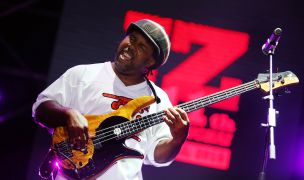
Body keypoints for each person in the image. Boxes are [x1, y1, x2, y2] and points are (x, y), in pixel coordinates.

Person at [32, 19, 190, 179]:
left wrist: (177, 139)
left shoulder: (158, 99)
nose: (131, 46)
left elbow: (158, 156)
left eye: (141, 47)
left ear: (150, 62)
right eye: (132, 38)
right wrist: (68, 114)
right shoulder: (82, 74)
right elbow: (41, 110)